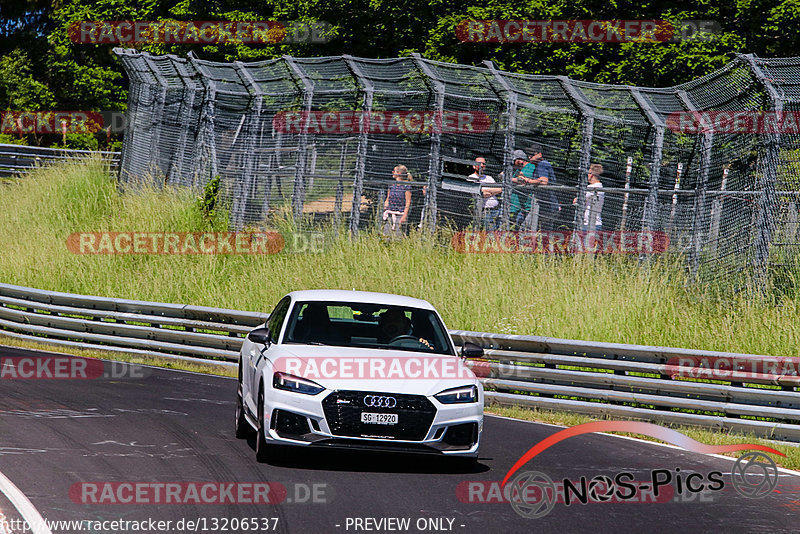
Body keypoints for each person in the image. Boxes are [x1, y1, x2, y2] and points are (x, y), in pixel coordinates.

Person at [523, 143, 559, 231]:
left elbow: (543, 181)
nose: (529, 157)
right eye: (528, 155)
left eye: (532, 155)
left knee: (526, 228)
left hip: (546, 206)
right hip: (546, 205)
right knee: (543, 232)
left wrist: (528, 181)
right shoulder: (538, 166)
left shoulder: (542, 164)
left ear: (540, 154)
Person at [469, 156, 502, 230]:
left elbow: (500, 189)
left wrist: (487, 191)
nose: (481, 165)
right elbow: (481, 193)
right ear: (474, 166)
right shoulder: (471, 178)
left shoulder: (489, 178)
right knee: (490, 233)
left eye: (483, 164)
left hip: (497, 210)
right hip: (486, 211)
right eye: (479, 163)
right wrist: (491, 191)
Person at [573, 163, 605, 231]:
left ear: (591, 175)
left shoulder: (591, 188)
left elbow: (576, 201)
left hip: (588, 224)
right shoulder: (601, 187)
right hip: (597, 223)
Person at [383, 165, 413, 237]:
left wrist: (405, 215)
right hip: (390, 213)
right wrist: (385, 205)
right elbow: (388, 198)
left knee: (398, 236)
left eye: (394, 171)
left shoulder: (406, 186)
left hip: (400, 214)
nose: (392, 172)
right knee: (386, 235)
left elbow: (408, 202)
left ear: (398, 173)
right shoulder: (392, 185)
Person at [504, 149, 530, 229]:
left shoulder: (529, 167)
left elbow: (522, 181)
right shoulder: (519, 170)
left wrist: (507, 178)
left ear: (519, 160)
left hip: (527, 206)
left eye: (514, 161)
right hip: (519, 206)